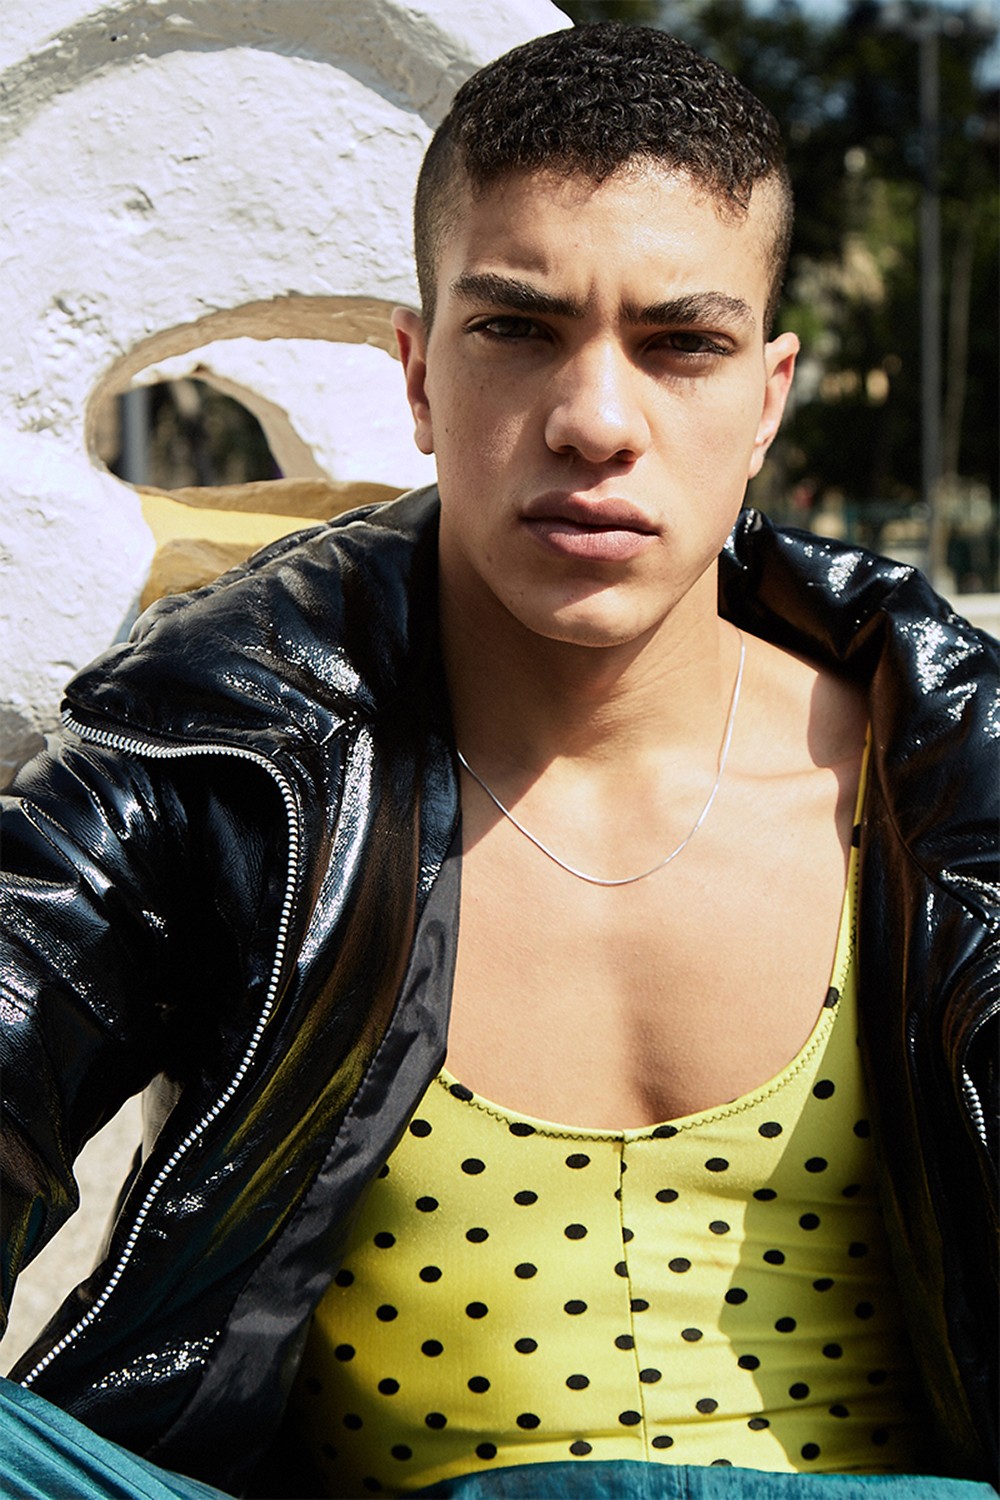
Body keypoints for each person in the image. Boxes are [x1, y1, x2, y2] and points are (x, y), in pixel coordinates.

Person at [0, 21, 996, 1500]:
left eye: (683, 344)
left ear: (768, 395)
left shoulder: (956, 787)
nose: (595, 422)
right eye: (518, 331)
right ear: (418, 376)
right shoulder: (225, 747)